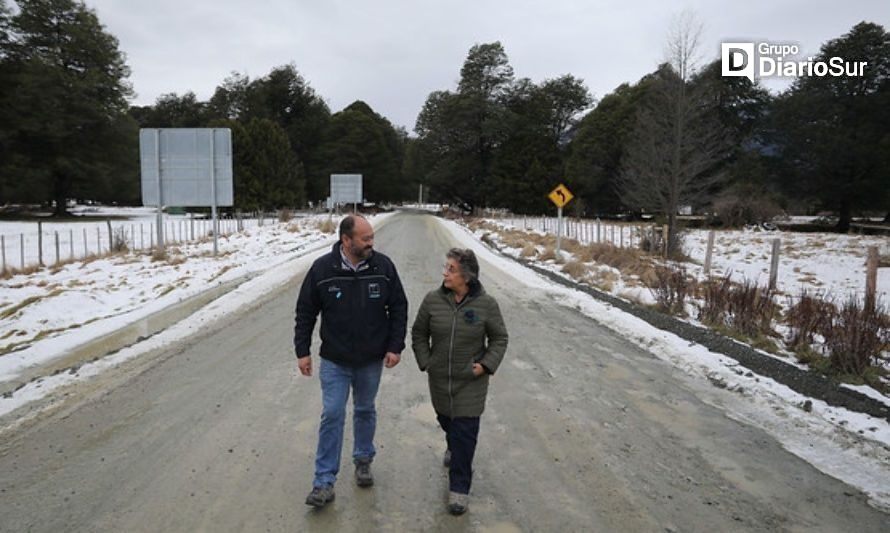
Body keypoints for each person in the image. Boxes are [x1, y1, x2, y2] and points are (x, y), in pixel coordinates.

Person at [294, 214, 408, 509]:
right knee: (332, 413)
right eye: (365, 238)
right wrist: (302, 350)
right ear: (346, 240)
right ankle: (323, 482)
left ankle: (363, 459)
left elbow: (398, 307)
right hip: (335, 359)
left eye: (371, 237)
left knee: (365, 409)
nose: (371, 242)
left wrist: (395, 346)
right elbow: (306, 311)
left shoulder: (383, 267)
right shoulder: (322, 269)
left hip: (371, 358)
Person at [411, 248, 508, 515]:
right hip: (440, 380)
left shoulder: (486, 305)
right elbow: (419, 333)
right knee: (447, 421)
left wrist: (486, 365)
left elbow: (499, 338)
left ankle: (459, 489)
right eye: (446, 267)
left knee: (465, 433)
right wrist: (426, 361)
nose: (445, 272)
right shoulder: (432, 300)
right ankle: (454, 447)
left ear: (466, 276)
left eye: (450, 269)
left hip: (471, 382)